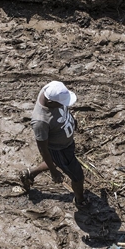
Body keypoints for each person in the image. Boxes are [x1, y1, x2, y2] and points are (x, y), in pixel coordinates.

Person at [19, 81, 87, 209]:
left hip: (66, 143)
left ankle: (31, 173)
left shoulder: (50, 89)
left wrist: (72, 121)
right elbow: (43, 149)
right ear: (51, 103)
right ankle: (80, 201)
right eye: (61, 103)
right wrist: (53, 172)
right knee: (77, 177)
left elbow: (63, 109)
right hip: (60, 148)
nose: (64, 105)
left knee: (58, 162)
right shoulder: (40, 121)